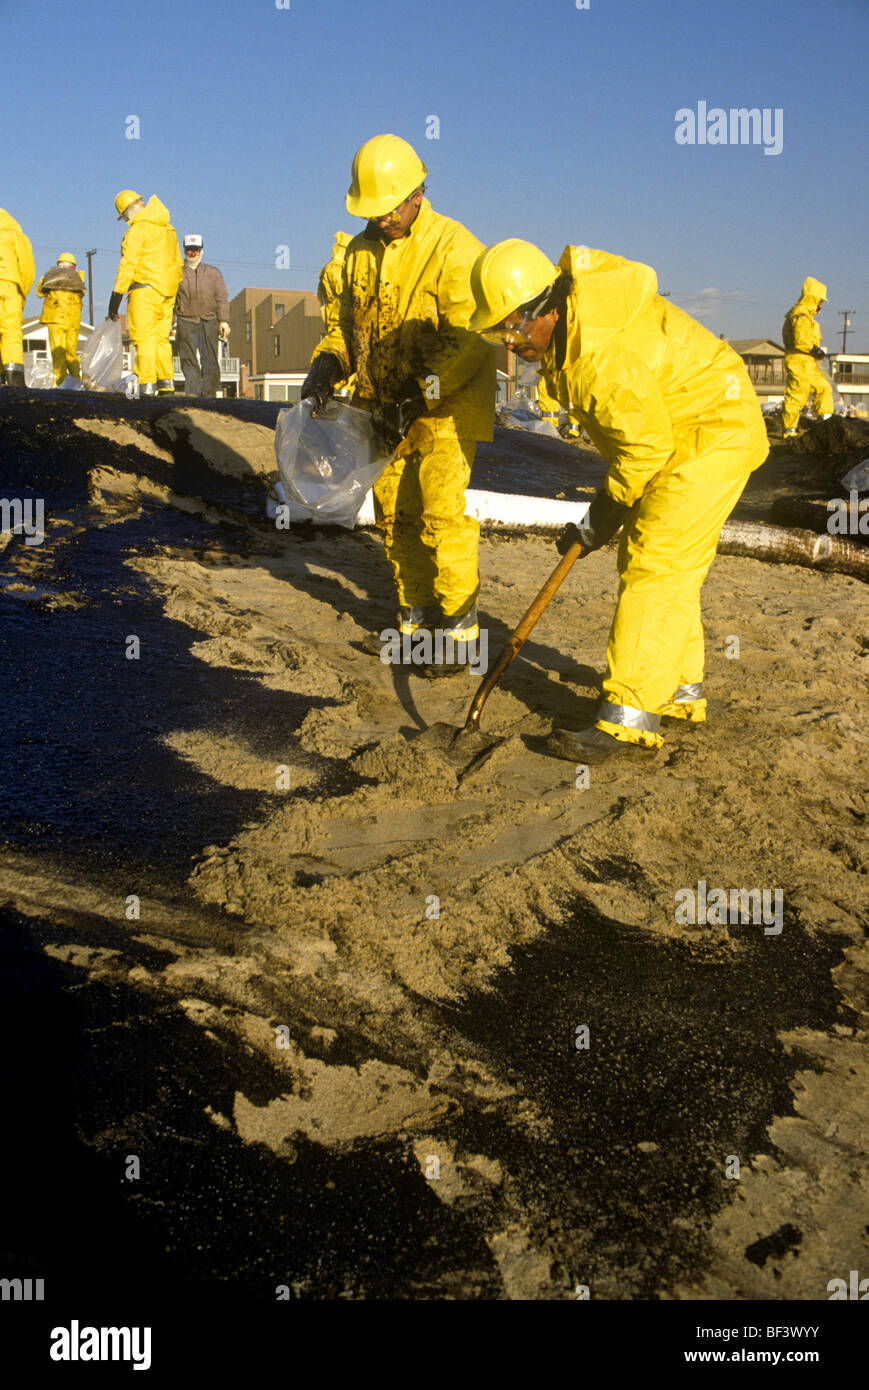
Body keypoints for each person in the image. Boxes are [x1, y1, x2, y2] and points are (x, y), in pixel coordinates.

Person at [469, 239, 770, 763]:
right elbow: (642, 441)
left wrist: (599, 516)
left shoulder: (599, 355)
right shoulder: (574, 331)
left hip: (709, 433)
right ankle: (678, 690)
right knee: (663, 562)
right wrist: (604, 516)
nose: (510, 343)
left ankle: (627, 724)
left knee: (657, 562)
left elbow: (644, 449)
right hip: (685, 427)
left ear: (550, 309)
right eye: (499, 332)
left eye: (515, 328)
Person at [301, 134, 496, 673]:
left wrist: (420, 393)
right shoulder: (358, 252)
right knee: (394, 519)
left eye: (392, 208)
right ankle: (415, 626)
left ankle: (460, 638)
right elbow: (347, 326)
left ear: (417, 193)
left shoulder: (455, 248)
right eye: (375, 210)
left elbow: (469, 341)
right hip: (381, 408)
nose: (383, 218)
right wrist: (330, 363)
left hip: (444, 410)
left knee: (440, 517)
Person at [109, 190, 183, 396]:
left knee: (144, 339)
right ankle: (166, 386)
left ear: (129, 209)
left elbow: (128, 264)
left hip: (144, 291)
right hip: (167, 292)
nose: (125, 220)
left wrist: (116, 296)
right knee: (161, 339)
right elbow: (178, 264)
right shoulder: (168, 229)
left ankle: (146, 387)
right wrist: (173, 292)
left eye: (124, 215)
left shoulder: (137, 230)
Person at [174, 234, 230, 396]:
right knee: (188, 360)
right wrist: (170, 324)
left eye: (195, 250)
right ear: (184, 251)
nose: (192, 253)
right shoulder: (177, 273)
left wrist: (224, 321)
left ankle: (209, 396)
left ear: (201, 251)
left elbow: (221, 298)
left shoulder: (213, 273)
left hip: (209, 321)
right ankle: (193, 396)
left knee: (211, 360)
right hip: (185, 321)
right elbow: (171, 300)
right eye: (189, 250)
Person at [781, 276, 833, 436]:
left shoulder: (806, 316)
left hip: (808, 361)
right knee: (797, 394)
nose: (821, 305)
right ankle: (789, 431)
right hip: (798, 360)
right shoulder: (800, 315)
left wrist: (814, 351)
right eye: (820, 301)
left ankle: (827, 423)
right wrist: (813, 349)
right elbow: (800, 340)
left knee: (823, 388)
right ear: (813, 299)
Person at [36, 253, 85, 384]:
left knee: (58, 352)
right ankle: (76, 381)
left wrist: (48, 276)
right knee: (71, 353)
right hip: (72, 320)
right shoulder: (78, 278)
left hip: (55, 317)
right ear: (74, 266)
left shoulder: (51, 275)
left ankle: (60, 381)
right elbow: (83, 293)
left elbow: (39, 292)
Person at [0, 207, 35, 388]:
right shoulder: (16, 236)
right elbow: (27, 269)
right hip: (8, 287)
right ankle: (14, 381)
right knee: (10, 331)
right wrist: (22, 293)